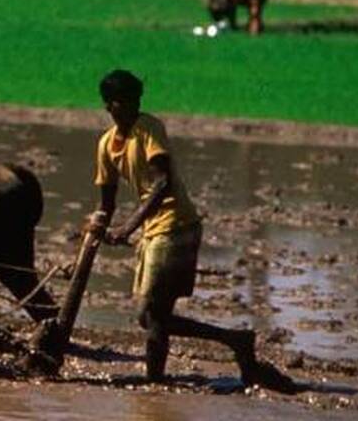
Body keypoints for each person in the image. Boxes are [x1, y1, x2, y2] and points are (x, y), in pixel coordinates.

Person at [85, 70, 288, 388]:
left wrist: (126, 228)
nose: (134, 107)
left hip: (176, 225)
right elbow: (106, 201)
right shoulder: (106, 146)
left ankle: (159, 379)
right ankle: (230, 342)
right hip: (153, 229)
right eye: (127, 102)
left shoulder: (149, 129)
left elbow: (162, 183)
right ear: (110, 106)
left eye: (137, 100)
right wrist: (97, 229)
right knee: (151, 316)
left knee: (152, 313)